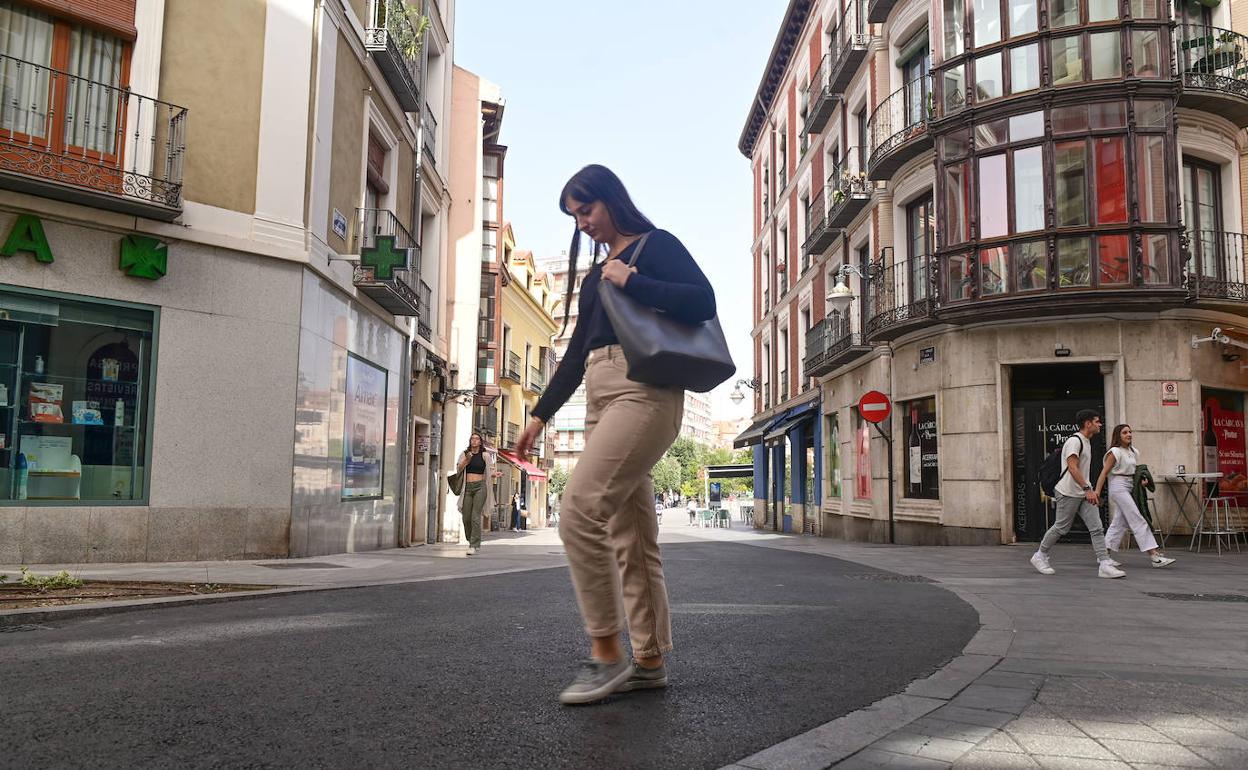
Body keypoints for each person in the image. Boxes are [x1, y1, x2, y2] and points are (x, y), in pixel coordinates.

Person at [515, 164, 717, 706]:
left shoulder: (654, 247)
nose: (582, 224)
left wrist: (634, 281)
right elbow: (576, 355)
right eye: (574, 217)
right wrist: (539, 416)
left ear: (610, 200)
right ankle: (649, 660)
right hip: (601, 398)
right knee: (631, 535)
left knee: (579, 509)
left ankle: (605, 653)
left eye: (587, 210)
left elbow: (703, 302)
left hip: (645, 390)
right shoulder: (591, 278)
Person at [1031, 410, 1125, 578]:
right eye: (1097, 421)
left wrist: (1088, 490)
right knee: (1061, 527)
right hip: (1068, 492)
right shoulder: (1075, 441)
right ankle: (1040, 556)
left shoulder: (1086, 442)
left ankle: (1104, 564)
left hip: (1082, 492)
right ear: (1087, 423)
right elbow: (1072, 467)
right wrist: (1087, 489)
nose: (1100, 424)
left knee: (1096, 528)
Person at [1093, 424, 1176, 569]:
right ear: (1118, 435)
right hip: (1118, 486)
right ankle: (1154, 555)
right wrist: (1097, 492)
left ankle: (1103, 556)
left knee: (1119, 522)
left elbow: (1134, 471)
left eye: (1130, 432)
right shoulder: (1114, 452)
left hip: (1130, 485)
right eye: (1125, 432)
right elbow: (1104, 473)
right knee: (1136, 518)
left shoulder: (1133, 451)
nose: (1129, 434)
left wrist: (1142, 480)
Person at [455, 433, 490, 556]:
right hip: (467, 488)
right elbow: (459, 469)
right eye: (472, 439)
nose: (474, 441)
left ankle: (474, 544)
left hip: (480, 487)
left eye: (477, 439)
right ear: (470, 441)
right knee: (466, 517)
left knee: (475, 516)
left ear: (480, 442)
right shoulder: (464, 454)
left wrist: (495, 474)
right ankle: (472, 539)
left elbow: (489, 471)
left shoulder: (485, 455)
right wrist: (467, 459)